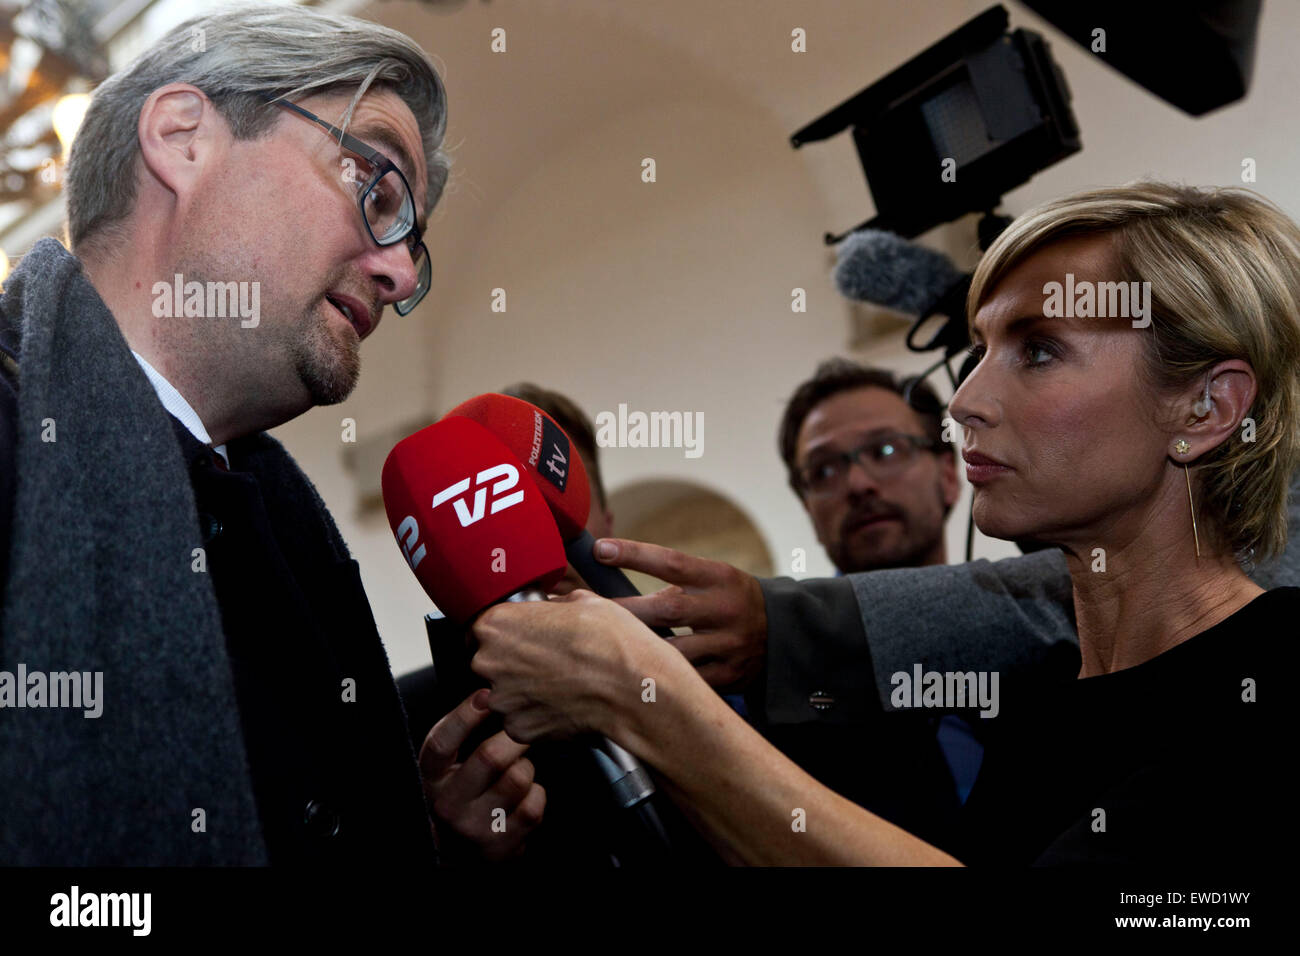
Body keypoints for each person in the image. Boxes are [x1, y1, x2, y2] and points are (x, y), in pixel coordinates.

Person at [469, 181, 1300, 865]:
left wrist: (642, 702)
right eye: (978, 349)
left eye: (1040, 350)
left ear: (1206, 406)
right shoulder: (1046, 703)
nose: (967, 402)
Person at [0, 5, 541, 865]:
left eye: (414, 245)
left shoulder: (284, 532)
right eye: (377, 188)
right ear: (182, 138)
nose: (401, 276)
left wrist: (422, 840)